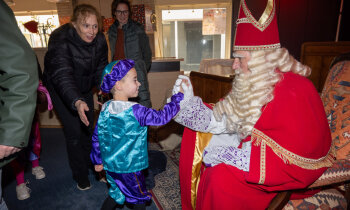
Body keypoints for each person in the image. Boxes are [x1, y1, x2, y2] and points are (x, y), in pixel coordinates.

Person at [172, 0, 334, 209]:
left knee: (219, 177)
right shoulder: (252, 82)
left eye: (240, 58)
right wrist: (189, 105)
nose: (234, 64)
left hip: (280, 177)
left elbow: (301, 155)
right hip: (255, 159)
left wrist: (232, 156)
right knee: (206, 148)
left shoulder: (297, 89)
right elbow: (226, 118)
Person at [90, 59, 184, 210]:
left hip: (110, 166)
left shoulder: (105, 108)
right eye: (135, 80)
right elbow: (161, 117)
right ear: (118, 85)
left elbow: (97, 137)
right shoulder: (136, 110)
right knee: (139, 197)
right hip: (130, 168)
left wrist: (97, 160)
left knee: (116, 193)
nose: (139, 83)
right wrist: (177, 100)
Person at [43, 4, 108, 190]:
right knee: (74, 132)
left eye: (95, 26)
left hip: (84, 86)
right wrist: (76, 101)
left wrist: (104, 92)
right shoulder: (60, 39)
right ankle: (80, 175)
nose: (92, 31)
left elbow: (100, 70)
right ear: (74, 25)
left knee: (88, 128)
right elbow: (62, 74)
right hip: (60, 88)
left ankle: (92, 165)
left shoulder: (100, 40)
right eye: (86, 26)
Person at [0, 0, 39, 209]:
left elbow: (21, 70)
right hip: (15, 113)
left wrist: (13, 130)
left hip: (15, 115)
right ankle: (20, 181)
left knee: (31, 143)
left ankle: (31, 168)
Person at [10, 78, 53, 200]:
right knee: (16, 147)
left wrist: (39, 93)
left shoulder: (29, 61)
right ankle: (20, 183)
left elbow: (39, 83)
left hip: (30, 111)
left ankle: (35, 165)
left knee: (34, 141)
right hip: (12, 115)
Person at [108, 0, 152, 108]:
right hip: (118, 76)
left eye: (125, 12)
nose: (122, 15)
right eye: (119, 12)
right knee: (120, 108)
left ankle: (144, 125)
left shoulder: (138, 29)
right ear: (114, 12)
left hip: (136, 75)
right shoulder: (111, 31)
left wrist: (140, 69)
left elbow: (147, 54)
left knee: (142, 105)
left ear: (129, 13)